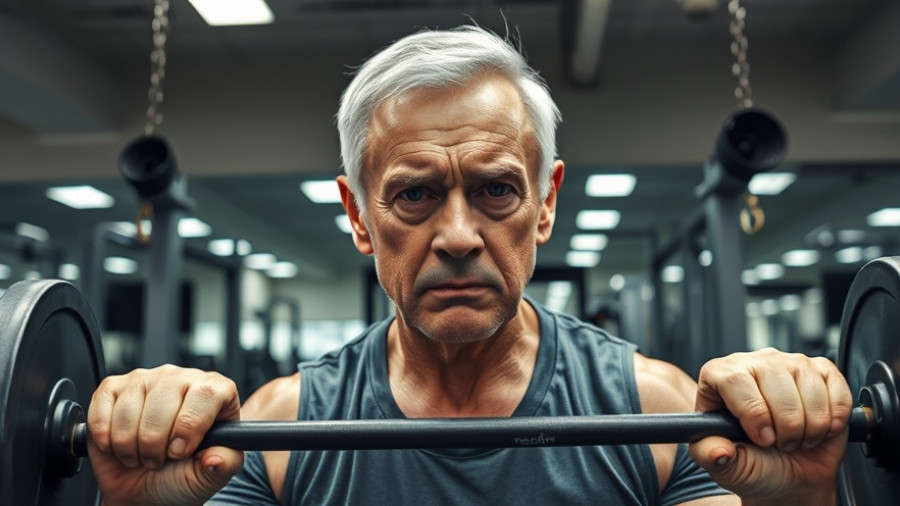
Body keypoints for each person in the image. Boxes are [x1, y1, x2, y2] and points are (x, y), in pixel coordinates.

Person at [86, 26, 852, 505]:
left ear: (545, 204)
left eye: (494, 190)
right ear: (358, 215)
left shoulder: (654, 407)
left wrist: (804, 502)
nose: (457, 234)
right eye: (414, 194)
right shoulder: (283, 429)